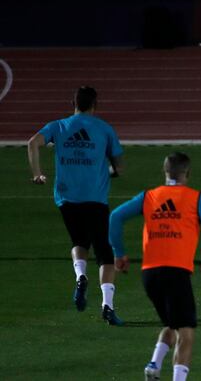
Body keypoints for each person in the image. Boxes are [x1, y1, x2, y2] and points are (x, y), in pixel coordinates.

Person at [109, 152, 201, 381]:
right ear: (188, 173)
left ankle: (154, 365)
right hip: (176, 272)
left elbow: (115, 217)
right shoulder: (195, 198)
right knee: (186, 333)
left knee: (173, 324)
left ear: (165, 171)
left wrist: (119, 254)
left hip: (150, 274)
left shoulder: (149, 196)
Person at [26, 85, 125, 325]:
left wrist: (37, 173)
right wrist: (108, 172)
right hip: (95, 198)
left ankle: (81, 276)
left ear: (73, 103)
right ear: (94, 105)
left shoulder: (59, 126)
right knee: (104, 252)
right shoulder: (104, 129)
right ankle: (108, 306)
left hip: (66, 198)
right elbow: (118, 167)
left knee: (79, 241)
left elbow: (32, 143)